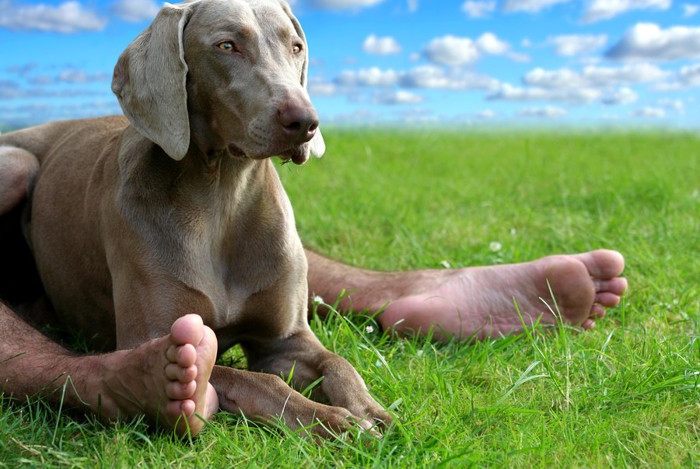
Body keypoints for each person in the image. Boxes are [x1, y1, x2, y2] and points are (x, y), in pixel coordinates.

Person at [0, 243, 626, 436]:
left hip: (92, 171)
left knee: (238, 228)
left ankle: (413, 286)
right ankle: (96, 380)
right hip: (43, 173)